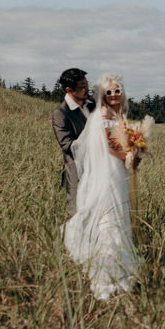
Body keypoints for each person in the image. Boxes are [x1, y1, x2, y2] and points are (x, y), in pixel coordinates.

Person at [62, 73, 141, 300]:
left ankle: (123, 270)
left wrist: (134, 154)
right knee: (109, 219)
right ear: (102, 96)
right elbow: (107, 147)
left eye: (117, 90)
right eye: (109, 92)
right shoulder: (103, 116)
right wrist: (126, 155)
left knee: (120, 215)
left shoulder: (119, 115)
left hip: (118, 172)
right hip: (107, 174)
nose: (114, 95)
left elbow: (123, 142)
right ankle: (106, 276)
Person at [52, 68, 92, 216]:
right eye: (82, 87)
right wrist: (95, 140)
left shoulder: (91, 104)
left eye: (87, 85)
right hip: (77, 174)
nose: (87, 89)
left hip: (98, 170)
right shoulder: (61, 114)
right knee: (76, 215)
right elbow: (67, 145)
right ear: (69, 90)